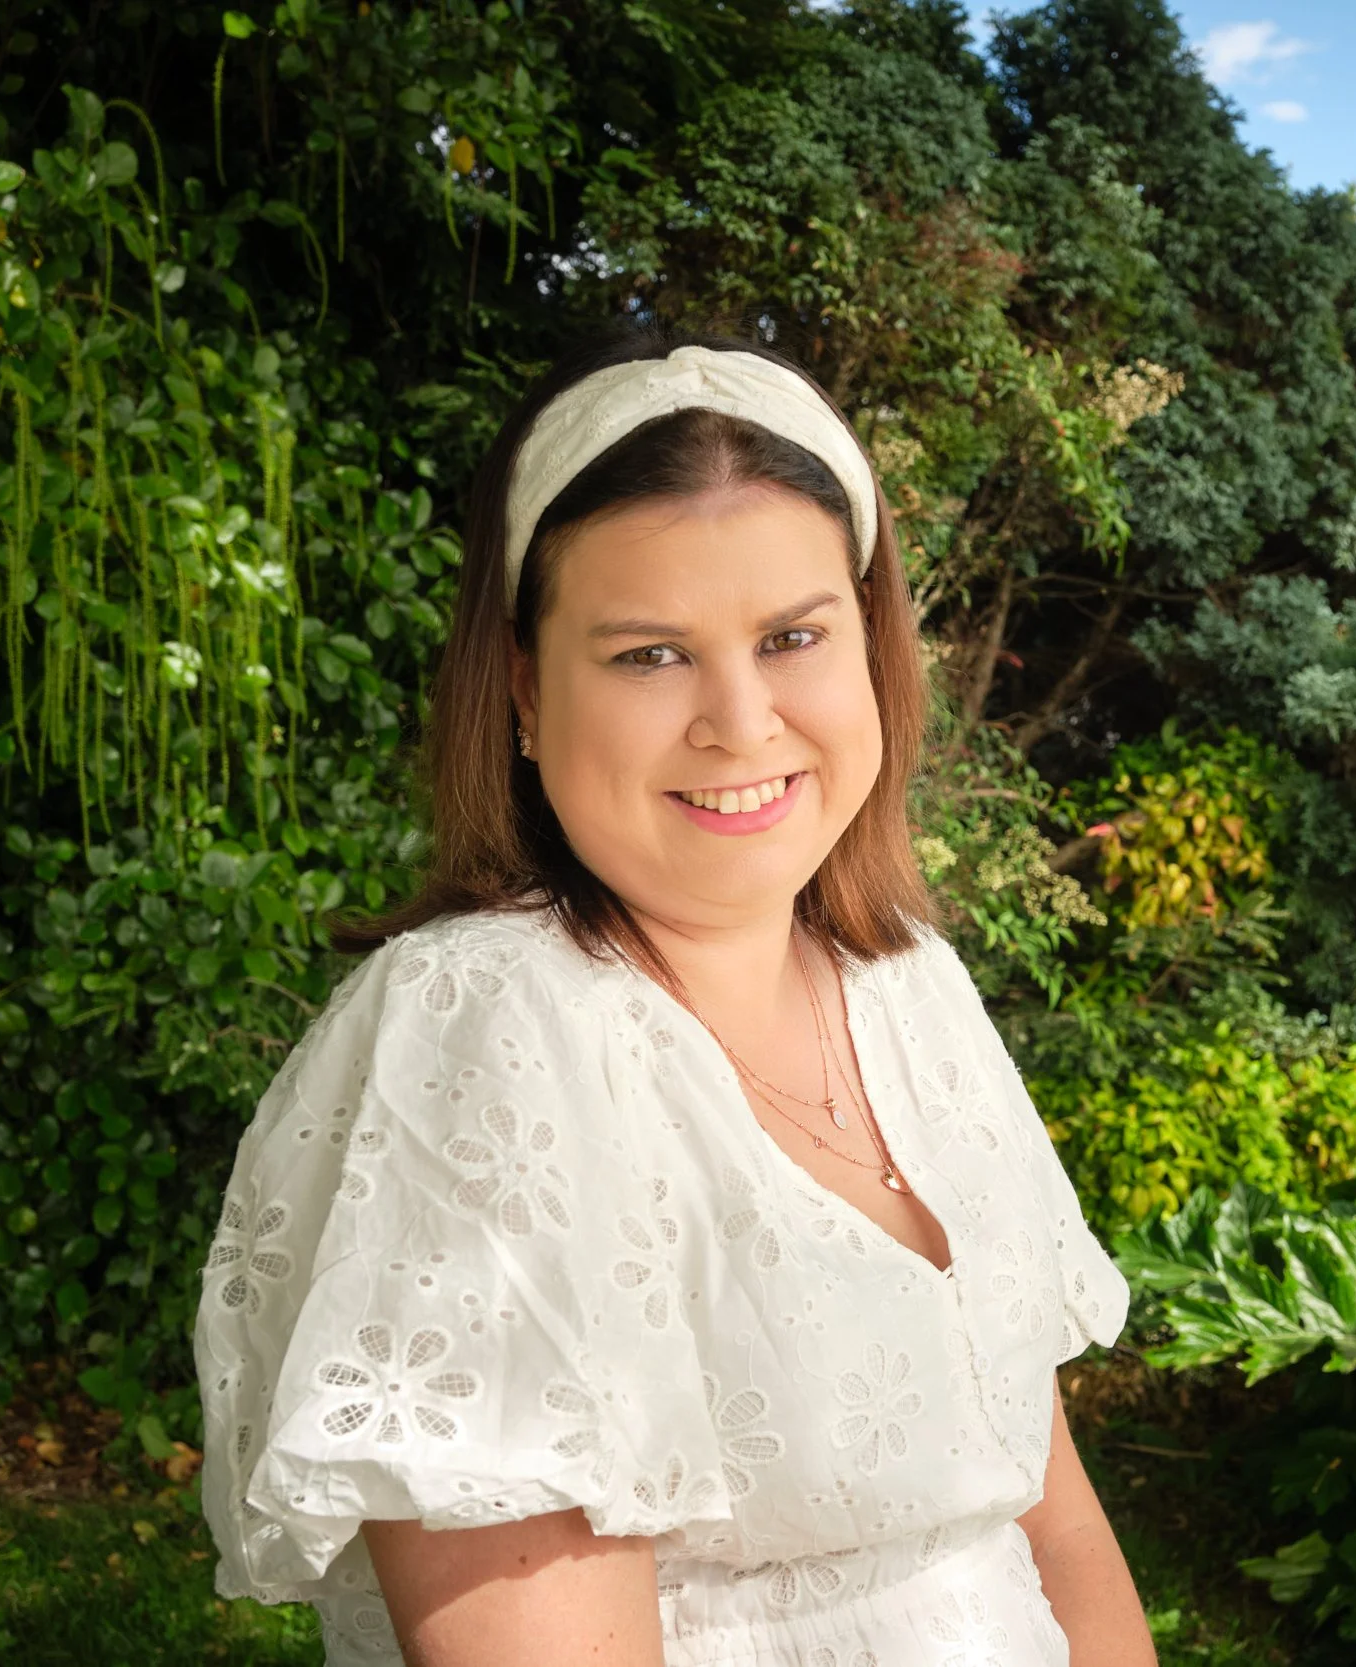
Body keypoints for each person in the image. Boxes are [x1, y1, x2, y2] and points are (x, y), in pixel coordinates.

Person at [193, 328, 1157, 1667]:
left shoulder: (909, 984)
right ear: (526, 690)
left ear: (868, 649)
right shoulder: (491, 1036)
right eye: (651, 654)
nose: (742, 718)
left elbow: (1047, 1513)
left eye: (792, 635)